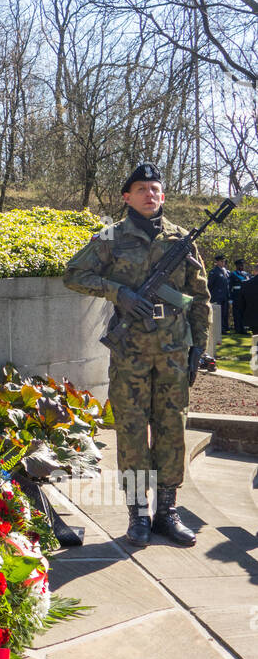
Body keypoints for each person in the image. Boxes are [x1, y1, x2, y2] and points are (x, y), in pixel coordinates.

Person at [62, 163, 210, 548]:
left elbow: (201, 297)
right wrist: (118, 292)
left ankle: (167, 511)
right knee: (130, 431)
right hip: (131, 352)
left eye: (155, 188)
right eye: (141, 188)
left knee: (172, 429)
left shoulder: (182, 240)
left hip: (175, 350)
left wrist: (198, 347)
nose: (150, 194)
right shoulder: (111, 237)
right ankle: (137, 514)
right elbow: (74, 274)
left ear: (163, 195)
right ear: (127, 197)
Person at [207, 255, 231, 334]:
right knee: (218, 314)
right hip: (217, 296)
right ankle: (219, 329)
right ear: (217, 262)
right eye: (221, 261)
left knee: (224, 313)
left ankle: (224, 327)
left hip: (225, 295)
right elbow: (210, 285)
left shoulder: (225, 271)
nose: (223, 263)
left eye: (224, 261)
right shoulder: (214, 272)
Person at [229, 258, 249, 335]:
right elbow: (230, 286)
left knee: (244, 313)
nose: (242, 266)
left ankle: (244, 329)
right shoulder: (233, 274)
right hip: (236, 296)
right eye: (240, 265)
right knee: (237, 314)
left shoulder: (246, 274)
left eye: (242, 265)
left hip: (244, 297)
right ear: (237, 266)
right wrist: (230, 298)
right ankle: (238, 329)